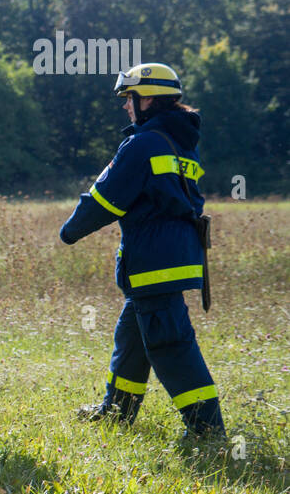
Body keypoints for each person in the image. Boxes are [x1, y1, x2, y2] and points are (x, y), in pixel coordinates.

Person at [60, 63, 225, 440]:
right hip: (177, 255)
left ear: (147, 99)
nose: (125, 107)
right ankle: (117, 411)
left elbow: (105, 198)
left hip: (154, 262)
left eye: (129, 98)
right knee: (132, 337)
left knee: (170, 343)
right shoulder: (181, 142)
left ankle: (207, 429)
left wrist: (70, 231)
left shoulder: (143, 143)